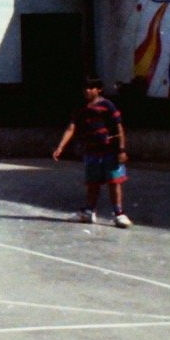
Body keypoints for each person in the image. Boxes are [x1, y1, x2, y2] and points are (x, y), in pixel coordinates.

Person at [52, 78, 132, 228]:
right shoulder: (81, 108)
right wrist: (61, 146)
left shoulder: (107, 105)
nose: (87, 91)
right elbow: (71, 127)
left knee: (114, 182)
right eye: (85, 88)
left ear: (99, 89)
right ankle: (89, 212)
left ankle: (119, 213)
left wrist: (121, 149)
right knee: (92, 183)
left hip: (110, 150)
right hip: (92, 152)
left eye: (91, 88)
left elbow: (118, 128)